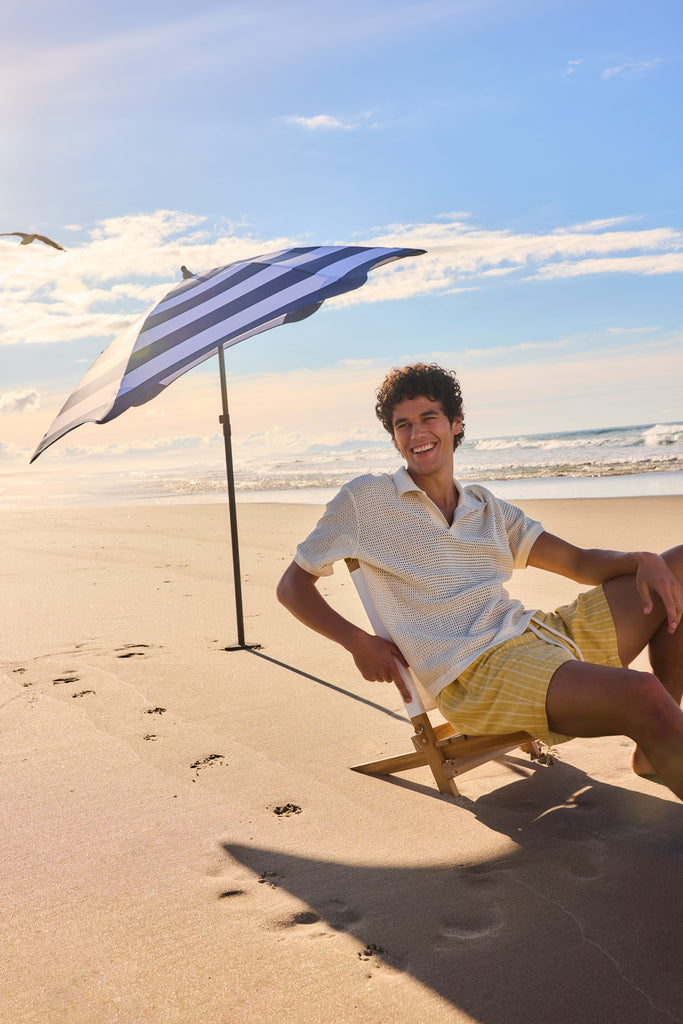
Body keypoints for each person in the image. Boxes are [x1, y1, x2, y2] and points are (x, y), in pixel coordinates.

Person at [277, 363, 683, 799]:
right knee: (641, 690)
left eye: (428, 418)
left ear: (455, 424)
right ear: (394, 437)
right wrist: (358, 641)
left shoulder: (484, 506)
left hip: (536, 635)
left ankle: (654, 746)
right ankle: (661, 728)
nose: (416, 434)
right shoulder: (365, 500)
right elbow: (292, 587)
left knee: (677, 565)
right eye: (403, 425)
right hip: (475, 675)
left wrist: (642, 559)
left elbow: (579, 562)